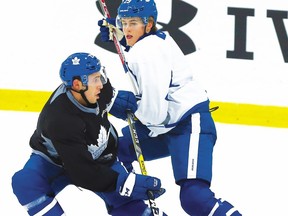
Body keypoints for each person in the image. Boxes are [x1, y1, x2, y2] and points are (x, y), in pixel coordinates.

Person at [98, 0, 242, 215]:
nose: (127, 29)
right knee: (113, 152)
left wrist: (117, 102)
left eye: (134, 23)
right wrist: (120, 35)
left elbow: (154, 115)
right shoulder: (152, 40)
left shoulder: (147, 53)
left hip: (188, 124)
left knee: (195, 198)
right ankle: (135, 210)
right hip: (167, 124)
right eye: (124, 23)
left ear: (149, 24)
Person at [11, 52, 167, 216]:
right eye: (95, 80)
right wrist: (123, 182)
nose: (101, 84)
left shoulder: (98, 88)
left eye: (100, 76)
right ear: (77, 85)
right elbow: (82, 171)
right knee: (26, 182)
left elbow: (116, 100)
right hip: (54, 162)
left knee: (134, 209)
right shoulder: (61, 119)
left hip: (102, 157)